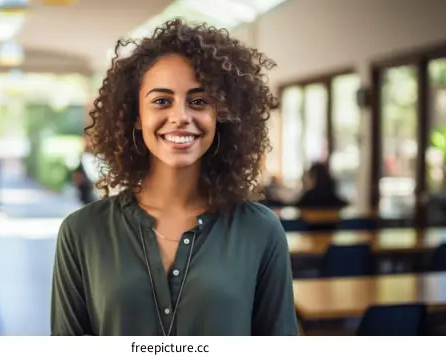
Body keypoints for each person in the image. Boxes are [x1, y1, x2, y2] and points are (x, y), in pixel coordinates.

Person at [50, 19, 298, 336]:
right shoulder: (82, 232)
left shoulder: (261, 230)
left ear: (220, 115)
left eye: (198, 101)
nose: (180, 116)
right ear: (136, 117)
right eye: (161, 101)